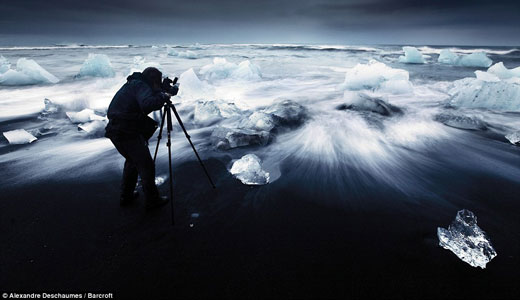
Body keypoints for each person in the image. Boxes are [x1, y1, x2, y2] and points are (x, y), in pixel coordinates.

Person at [105, 67, 178, 210]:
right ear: (153, 81)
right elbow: (147, 104)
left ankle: (126, 196)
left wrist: (161, 90)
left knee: (133, 161)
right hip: (125, 131)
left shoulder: (135, 84)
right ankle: (153, 200)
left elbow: (146, 98)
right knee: (146, 165)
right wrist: (166, 95)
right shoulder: (140, 86)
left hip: (116, 130)